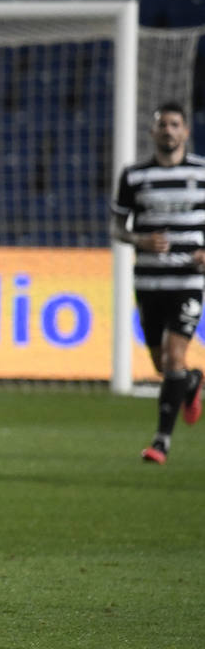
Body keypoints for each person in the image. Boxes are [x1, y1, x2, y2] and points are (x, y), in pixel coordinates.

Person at [111, 101, 205, 464]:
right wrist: (141, 240)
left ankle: (161, 441)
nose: (168, 130)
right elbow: (118, 228)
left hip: (187, 280)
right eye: (162, 124)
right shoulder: (134, 176)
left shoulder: (201, 172)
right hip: (149, 281)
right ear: (152, 132)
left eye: (175, 124)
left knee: (174, 354)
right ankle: (191, 382)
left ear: (185, 131)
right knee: (162, 365)